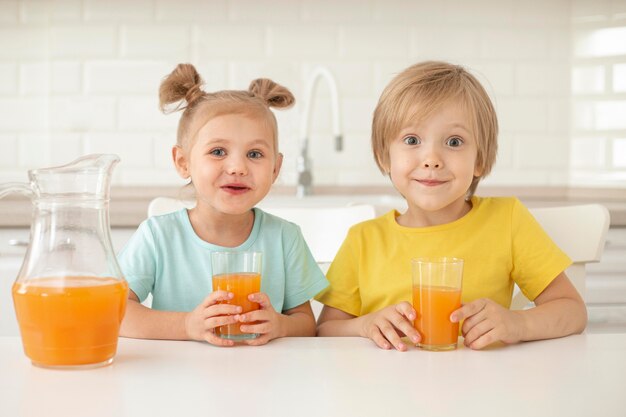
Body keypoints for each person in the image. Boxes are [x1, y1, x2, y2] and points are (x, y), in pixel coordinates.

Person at [315, 61, 587, 351]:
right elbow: (325, 330)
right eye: (412, 140)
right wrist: (364, 325)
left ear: (479, 160)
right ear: (385, 157)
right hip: (387, 392)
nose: (432, 159)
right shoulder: (363, 241)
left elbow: (572, 310)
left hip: (482, 389)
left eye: (454, 142)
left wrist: (517, 324)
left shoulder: (507, 221)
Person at [118, 63, 328, 347]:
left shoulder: (284, 238)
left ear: (276, 168)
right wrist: (186, 325)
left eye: (255, 154)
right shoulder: (158, 237)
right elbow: (115, 312)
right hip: (176, 379)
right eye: (218, 151)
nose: (238, 167)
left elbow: (306, 323)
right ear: (183, 162)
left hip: (266, 380)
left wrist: (280, 325)